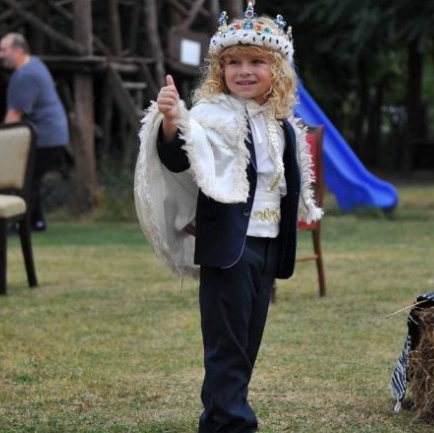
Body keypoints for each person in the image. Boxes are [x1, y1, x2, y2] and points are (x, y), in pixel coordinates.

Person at [134, 2, 322, 432]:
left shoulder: (284, 126)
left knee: (246, 343)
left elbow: (288, 183)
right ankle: (235, 424)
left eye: (257, 62)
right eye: (233, 63)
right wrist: (170, 120)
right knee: (226, 345)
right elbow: (181, 157)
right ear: (220, 71)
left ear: (277, 70)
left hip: (267, 246)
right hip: (228, 249)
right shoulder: (208, 117)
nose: (244, 71)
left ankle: (218, 421)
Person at [0, 32, 70, 232]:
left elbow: (14, 116)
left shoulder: (24, 75)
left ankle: (22, 223)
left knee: (25, 179)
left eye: (3, 50)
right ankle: (36, 222)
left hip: (45, 136)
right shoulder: (36, 64)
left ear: (18, 51)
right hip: (54, 135)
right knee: (31, 178)